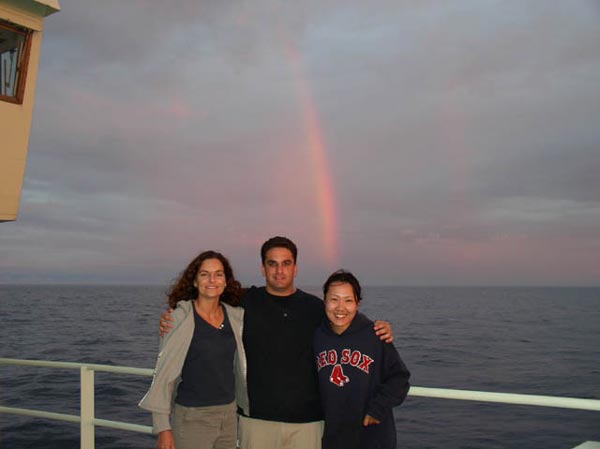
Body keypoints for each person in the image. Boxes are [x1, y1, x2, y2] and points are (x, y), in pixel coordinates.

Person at [160, 236, 394, 449]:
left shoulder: (315, 308)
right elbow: (208, 296)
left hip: (308, 423)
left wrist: (376, 327)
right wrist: (176, 316)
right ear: (263, 268)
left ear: (295, 268)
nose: (279, 270)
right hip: (256, 423)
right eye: (272, 263)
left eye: (286, 263)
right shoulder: (244, 301)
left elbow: (343, 317)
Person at [140, 250, 248, 449]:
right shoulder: (178, 319)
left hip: (229, 417)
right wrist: (163, 429)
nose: (212, 279)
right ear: (195, 281)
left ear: (226, 281)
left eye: (218, 274)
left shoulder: (236, 317)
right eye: (204, 274)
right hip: (192, 418)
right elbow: (163, 376)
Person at [314, 270, 410, 449]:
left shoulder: (375, 335)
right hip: (332, 437)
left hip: (372, 437)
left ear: (357, 303)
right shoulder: (317, 336)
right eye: (334, 299)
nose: (340, 307)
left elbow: (400, 378)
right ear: (325, 301)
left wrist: (377, 410)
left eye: (348, 300)